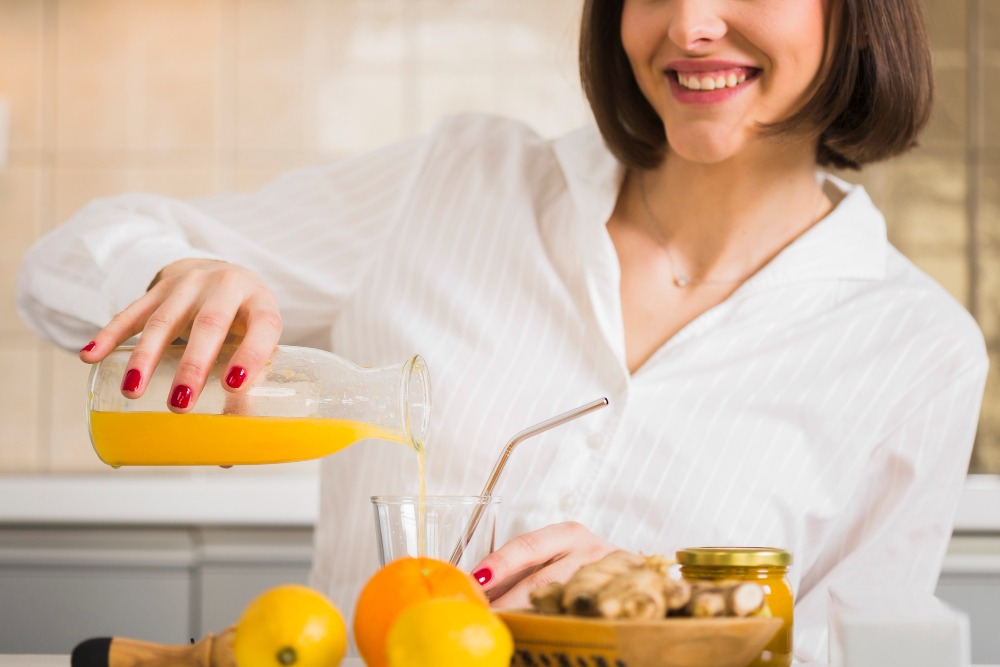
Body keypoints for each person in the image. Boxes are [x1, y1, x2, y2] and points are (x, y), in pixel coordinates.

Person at [16, 0, 987, 662]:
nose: (690, 24)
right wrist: (175, 275)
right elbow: (63, 270)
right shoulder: (455, 181)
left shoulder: (913, 349)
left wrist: (651, 605)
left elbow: (867, 649)